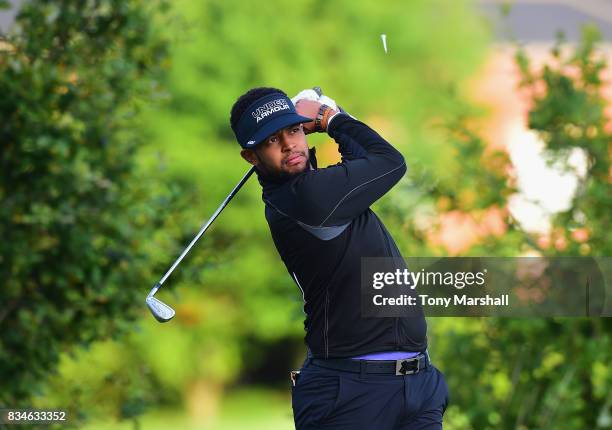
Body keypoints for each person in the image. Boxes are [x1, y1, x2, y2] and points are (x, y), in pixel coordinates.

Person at [229, 87, 449, 429]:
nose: (289, 145)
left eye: (294, 130)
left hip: (415, 387)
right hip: (349, 395)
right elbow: (389, 161)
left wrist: (332, 114)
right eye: (272, 141)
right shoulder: (305, 199)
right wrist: (329, 117)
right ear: (251, 157)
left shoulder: (321, 188)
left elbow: (365, 155)